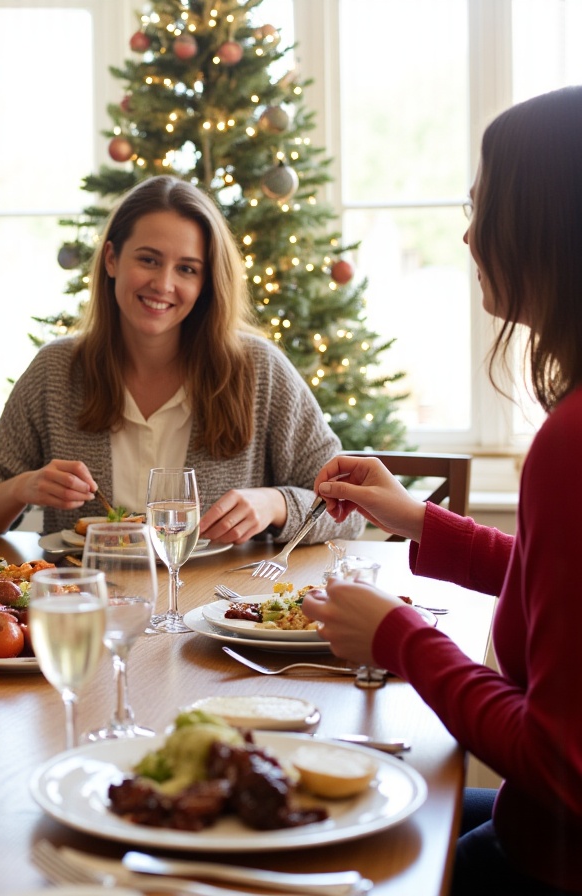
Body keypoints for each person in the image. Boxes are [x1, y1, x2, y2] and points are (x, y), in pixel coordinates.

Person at [304, 86, 582, 896]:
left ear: (544, 227)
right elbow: (559, 582)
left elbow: (562, 765)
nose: (468, 235)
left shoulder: (570, 442)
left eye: (483, 207)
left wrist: (399, 639)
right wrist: (419, 519)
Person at [0, 174, 363, 545]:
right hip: (92, 611)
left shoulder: (258, 369)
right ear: (112, 259)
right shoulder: (56, 370)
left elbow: (350, 511)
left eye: (186, 269)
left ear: (204, 283)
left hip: (216, 613)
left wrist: (276, 505)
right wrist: (22, 487)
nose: (163, 284)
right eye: (148, 259)